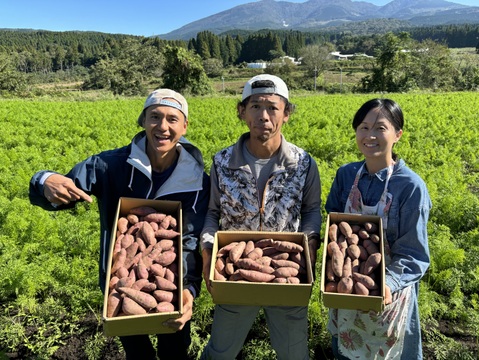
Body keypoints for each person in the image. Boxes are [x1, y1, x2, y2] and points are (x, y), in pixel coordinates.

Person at [29, 88, 210, 360]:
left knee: (175, 350)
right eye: (154, 117)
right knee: (137, 352)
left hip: (173, 289)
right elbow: (65, 191)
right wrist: (44, 181)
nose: (162, 126)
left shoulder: (198, 181)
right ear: (142, 121)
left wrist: (189, 289)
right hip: (119, 281)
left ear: (185, 126)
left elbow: (190, 241)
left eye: (172, 119)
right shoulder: (109, 165)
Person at [199, 74, 321, 360]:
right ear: (242, 112)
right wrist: (207, 251)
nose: (263, 116)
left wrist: (310, 244)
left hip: (286, 269)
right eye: (255, 106)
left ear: (287, 113)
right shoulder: (223, 161)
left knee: (294, 353)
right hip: (236, 271)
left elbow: (312, 210)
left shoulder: (303, 163)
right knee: (220, 350)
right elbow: (212, 212)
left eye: (272, 108)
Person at [325, 98, 431, 359]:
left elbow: (414, 254)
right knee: (347, 351)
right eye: (363, 127)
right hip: (347, 290)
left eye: (380, 128)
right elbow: (333, 223)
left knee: (391, 353)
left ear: (398, 134)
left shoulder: (410, 186)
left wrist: (387, 283)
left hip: (390, 292)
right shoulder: (346, 175)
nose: (370, 135)